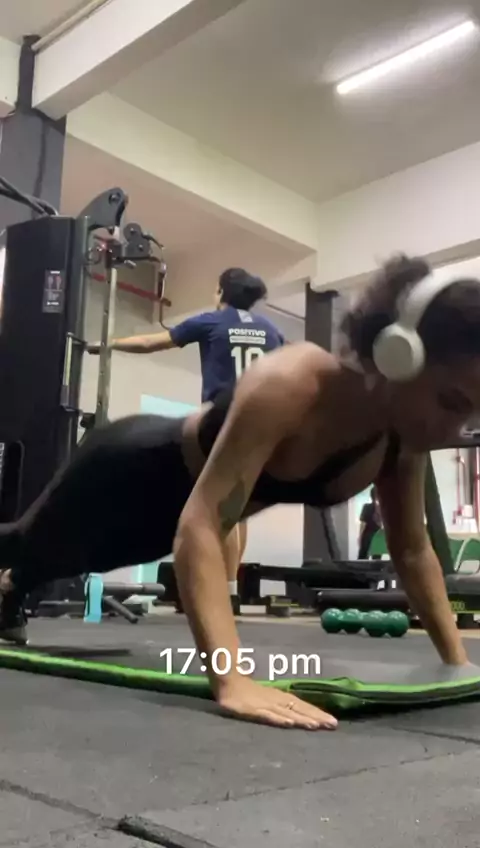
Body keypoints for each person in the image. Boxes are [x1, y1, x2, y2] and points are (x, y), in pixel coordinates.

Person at [1, 254, 479, 732]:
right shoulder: (292, 383)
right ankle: (14, 581)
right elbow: (205, 524)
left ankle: (11, 589)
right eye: (451, 402)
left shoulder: (401, 439)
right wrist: (231, 680)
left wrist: (458, 665)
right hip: (125, 470)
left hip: (171, 517)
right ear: (398, 354)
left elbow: (412, 550)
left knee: (72, 560)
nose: (452, 429)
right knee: (25, 542)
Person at [87, 268, 285, 610]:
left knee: (221, 507)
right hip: (262, 426)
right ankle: (231, 589)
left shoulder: (212, 321)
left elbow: (151, 342)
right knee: (239, 509)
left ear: (221, 291)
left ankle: (226, 594)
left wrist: (107, 345)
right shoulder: (270, 329)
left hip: (224, 421)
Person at [358, 486, 382, 558]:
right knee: (377, 560)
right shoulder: (381, 508)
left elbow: (363, 524)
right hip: (378, 535)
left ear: (371, 495)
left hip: (367, 535)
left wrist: (360, 536)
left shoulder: (366, 507)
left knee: (363, 558)